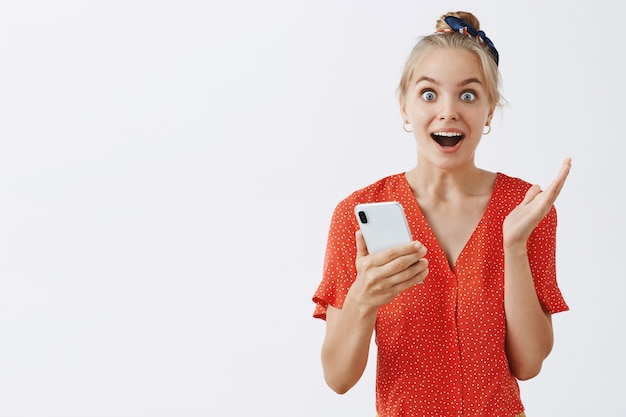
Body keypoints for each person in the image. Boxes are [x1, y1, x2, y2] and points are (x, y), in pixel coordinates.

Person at [311, 10, 571, 417]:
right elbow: (338, 378)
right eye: (428, 94)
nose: (448, 111)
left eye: (468, 95)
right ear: (404, 107)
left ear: (489, 111)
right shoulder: (355, 216)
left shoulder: (524, 209)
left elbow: (529, 363)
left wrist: (514, 246)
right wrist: (364, 297)